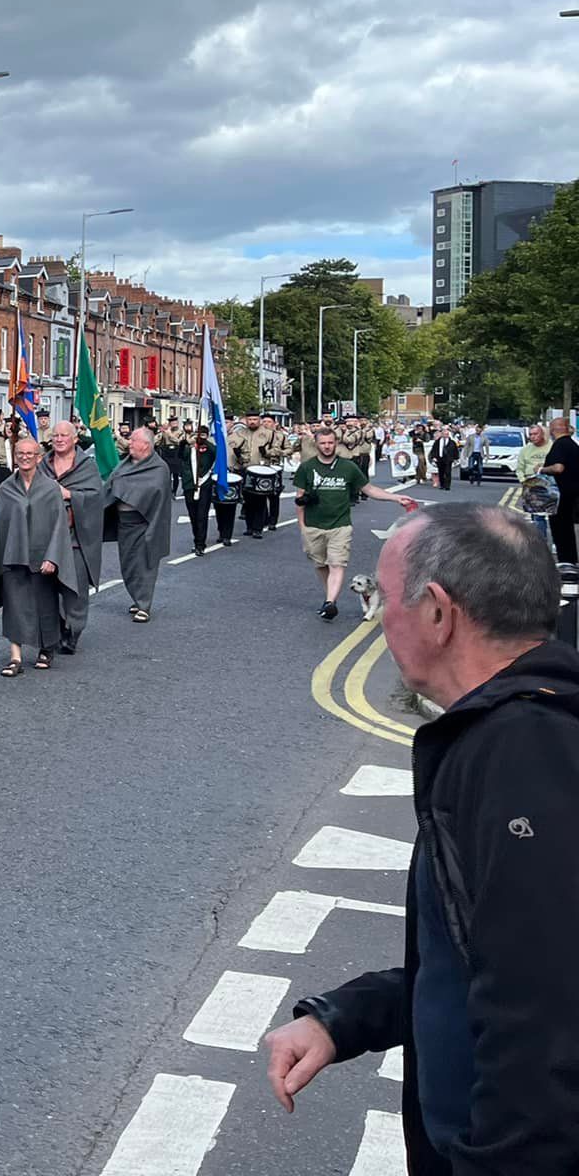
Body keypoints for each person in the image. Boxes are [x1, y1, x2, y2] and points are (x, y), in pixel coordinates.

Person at [263, 505, 579, 1176]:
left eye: (382, 596)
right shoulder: (514, 733)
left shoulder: (525, 755)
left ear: (437, 612)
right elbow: (485, 963)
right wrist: (345, 1018)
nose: (377, 617)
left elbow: (545, 1026)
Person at [293, 425, 416, 621]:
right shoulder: (307, 468)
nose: (327, 446)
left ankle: (330, 603)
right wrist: (302, 526)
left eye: (330, 443)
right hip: (313, 525)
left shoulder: (348, 467)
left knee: (337, 563)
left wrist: (396, 498)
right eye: (323, 443)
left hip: (340, 524)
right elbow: (299, 499)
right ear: (316, 444)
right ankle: (329, 598)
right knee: (320, 564)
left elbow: (369, 489)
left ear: (336, 444)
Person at [0, 435, 72, 675]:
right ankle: (15, 657)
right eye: (20, 454)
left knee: (44, 604)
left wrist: (53, 557)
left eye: (30, 454)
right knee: (14, 605)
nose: (25, 458)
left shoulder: (49, 488)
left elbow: (59, 524)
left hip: (42, 558)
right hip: (13, 556)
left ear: (38, 457)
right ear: (15, 457)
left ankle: (47, 648)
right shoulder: (6, 488)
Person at [40, 418, 105, 654]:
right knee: (49, 586)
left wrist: (69, 494)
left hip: (76, 535)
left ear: (75, 439)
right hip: (48, 534)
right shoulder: (43, 464)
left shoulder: (86, 466)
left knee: (73, 586)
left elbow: (96, 497)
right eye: (55, 436)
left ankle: (73, 630)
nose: (58, 440)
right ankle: (55, 628)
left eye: (63, 436)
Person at [109, 427, 173, 623]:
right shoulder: (124, 465)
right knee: (128, 565)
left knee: (145, 564)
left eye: (133, 440)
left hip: (145, 523)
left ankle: (144, 605)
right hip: (124, 523)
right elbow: (111, 485)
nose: (129, 443)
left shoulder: (158, 468)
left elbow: (156, 496)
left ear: (145, 445)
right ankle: (137, 598)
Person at [182, 423, 238, 555]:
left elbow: (218, 455)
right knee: (193, 516)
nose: (200, 437)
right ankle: (196, 538)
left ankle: (200, 544)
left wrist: (205, 443)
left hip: (204, 484)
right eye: (199, 434)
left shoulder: (210, 448)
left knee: (202, 515)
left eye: (203, 435)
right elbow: (181, 456)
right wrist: (186, 443)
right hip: (189, 484)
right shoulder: (189, 448)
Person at [229, 411, 279, 539]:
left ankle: (258, 528)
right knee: (248, 500)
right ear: (246, 420)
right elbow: (231, 446)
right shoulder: (239, 433)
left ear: (259, 420)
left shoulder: (269, 434)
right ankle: (249, 526)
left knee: (260, 500)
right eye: (250, 419)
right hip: (244, 469)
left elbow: (277, 449)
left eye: (255, 419)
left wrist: (267, 452)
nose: (252, 422)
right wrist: (237, 453)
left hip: (261, 470)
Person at [543, 418, 579, 565]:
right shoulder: (572, 445)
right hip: (573, 493)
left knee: (561, 528)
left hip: (561, 495)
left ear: (554, 430)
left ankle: (566, 561)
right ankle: (571, 560)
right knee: (569, 529)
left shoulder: (560, 445)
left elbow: (558, 468)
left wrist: (542, 469)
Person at [431, 425, 458, 492]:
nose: (445, 435)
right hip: (440, 458)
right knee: (441, 472)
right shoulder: (437, 442)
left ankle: (447, 486)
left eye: (447, 434)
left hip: (448, 459)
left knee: (448, 472)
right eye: (444, 434)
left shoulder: (452, 442)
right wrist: (434, 457)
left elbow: (455, 450)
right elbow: (434, 450)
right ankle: (442, 485)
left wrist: (455, 458)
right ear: (441, 435)